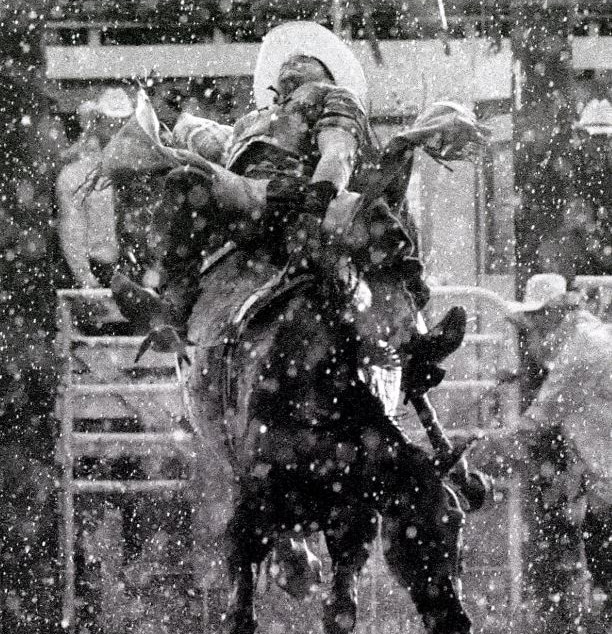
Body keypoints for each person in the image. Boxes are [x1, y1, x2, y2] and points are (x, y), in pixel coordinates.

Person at [106, 22, 489, 400]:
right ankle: (172, 302)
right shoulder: (245, 123)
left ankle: (410, 341)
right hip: (249, 199)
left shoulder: (334, 97)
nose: (290, 64)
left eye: (304, 61)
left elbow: (337, 150)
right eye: (286, 63)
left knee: (377, 222)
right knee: (184, 181)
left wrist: (320, 196)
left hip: (309, 198)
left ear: (327, 74)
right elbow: (213, 154)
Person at [56, 88, 134, 289]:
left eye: (123, 125)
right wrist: (86, 278)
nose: (117, 132)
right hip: (99, 271)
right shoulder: (74, 176)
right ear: (97, 124)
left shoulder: (139, 170)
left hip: (136, 268)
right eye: (111, 124)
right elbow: (72, 230)